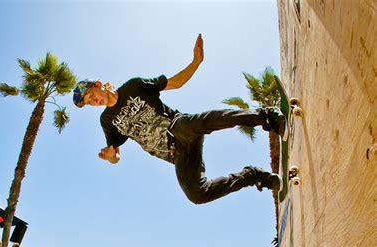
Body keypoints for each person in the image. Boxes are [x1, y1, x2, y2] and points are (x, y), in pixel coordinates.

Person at [72, 34, 283, 207]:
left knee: (198, 123)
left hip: (177, 128)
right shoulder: (107, 120)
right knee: (196, 194)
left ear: (98, 84)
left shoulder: (134, 86)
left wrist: (195, 63)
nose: (95, 101)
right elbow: (115, 153)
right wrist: (111, 158)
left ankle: (266, 116)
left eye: (92, 95)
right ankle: (254, 176)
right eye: (90, 103)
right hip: (176, 154)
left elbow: (174, 83)